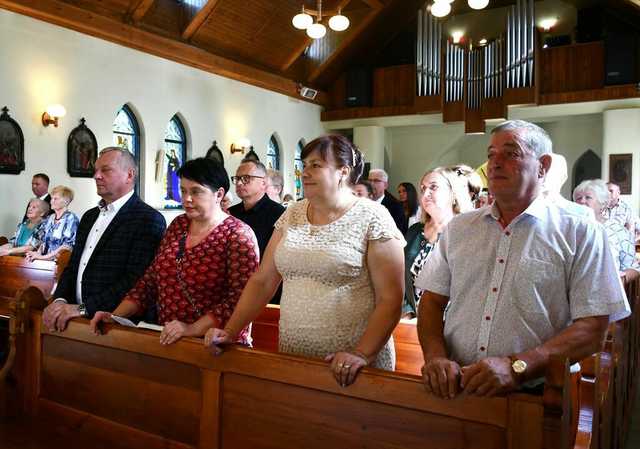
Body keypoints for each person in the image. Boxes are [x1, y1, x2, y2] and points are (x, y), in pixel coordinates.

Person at [416, 120, 629, 398]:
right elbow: (431, 302)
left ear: (543, 166)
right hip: (458, 388)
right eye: (491, 154)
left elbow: (592, 327)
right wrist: (435, 357)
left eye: (511, 153)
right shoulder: (460, 228)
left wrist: (519, 366)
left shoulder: (580, 230)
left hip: (537, 395)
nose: (494, 163)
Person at [204, 135, 405, 388]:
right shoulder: (293, 213)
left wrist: (362, 353)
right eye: (305, 164)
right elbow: (264, 280)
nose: (305, 172)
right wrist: (231, 331)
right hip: (294, 355)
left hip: (351, 365)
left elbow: (391, 298)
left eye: (316, 165)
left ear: (343, 171)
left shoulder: (373, 216)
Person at [90, 158, 259, 345]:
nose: (186, 199)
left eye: (196, 192)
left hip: (215, 343)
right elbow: (150, 280)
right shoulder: (179, 225)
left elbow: (241, 299)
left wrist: (191, 329)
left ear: (218, 194)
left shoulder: (237, 234)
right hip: (170, 336)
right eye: (183, 191)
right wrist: (115, 316)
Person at [42, 147, 166, 332]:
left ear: (129, 175)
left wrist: (83, 308)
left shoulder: (148, 219)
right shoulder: (89, 217)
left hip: (113, 324)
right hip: (72, 318)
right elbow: (73, 265)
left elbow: (135, 280)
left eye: (106, 170)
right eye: (96, 170)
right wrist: (60, 300)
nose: (97, 176)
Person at [403, 168, 473, 318]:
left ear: (452, 193)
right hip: (414, 321)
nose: (425, 194)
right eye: (423, 189)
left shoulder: (467, 232)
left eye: (433, 187)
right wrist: (407, 310)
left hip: (452, 322)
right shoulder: (414, 231)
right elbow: (402, 275)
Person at [229, 159, 285, 304]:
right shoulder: (230, 213)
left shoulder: (279, 214)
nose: (240, 183)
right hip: (233, 289)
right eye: (237, 179)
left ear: (264, 182)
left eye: (246, 178)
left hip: (268, 292)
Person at [573, 179, 639, 284]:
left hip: (607, 290)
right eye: (578, 198)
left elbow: (633, 267)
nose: (582, 201)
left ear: (602, 204)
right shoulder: (569, 229)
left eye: (588, 197)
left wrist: (620, 279)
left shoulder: (618, 230)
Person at [23, 186, 79, 261]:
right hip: (44, 262)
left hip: (60, 264)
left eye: (55, 199)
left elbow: (67, 247)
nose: (51, 201)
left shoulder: (71, 218)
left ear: (66, 201)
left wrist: (42, 257)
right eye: (52, 198)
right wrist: (37, 254)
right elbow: (42, 241)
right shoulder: (49, 218)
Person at [542, 153, 593, 219]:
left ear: (563, 177)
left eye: (551, 172)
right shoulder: (529, 208)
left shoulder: (582, 213)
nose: (545, 176)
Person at [368, 169, 407, 234]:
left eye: (376, 181)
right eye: (369, 180)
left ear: (385, 185)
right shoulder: (362, 203)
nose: (371, 184)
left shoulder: (395, 207)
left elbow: (398, 234)